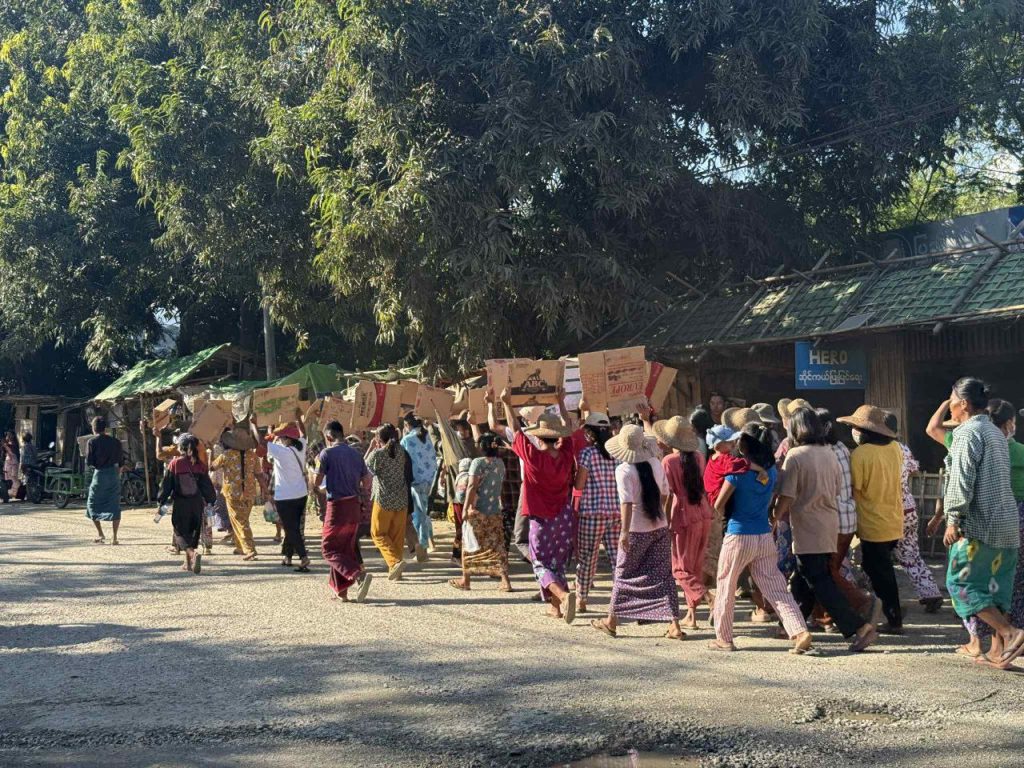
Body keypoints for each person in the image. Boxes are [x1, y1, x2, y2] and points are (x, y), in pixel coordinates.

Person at [776, 407, 878, 652]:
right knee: (806, 575)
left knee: (819, 579)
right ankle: (796, 627)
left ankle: (859, 627)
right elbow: (837, 488)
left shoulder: (795, 455)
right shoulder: (830, 453)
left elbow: (787, 495)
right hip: (829, 522)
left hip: (807, 525)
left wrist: (774, 516)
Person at [709, 422, 812, 653]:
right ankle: (799, 631)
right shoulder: (771, 473)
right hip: (764, 535)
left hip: (738, 535)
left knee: (726, 585)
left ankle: (724, 638)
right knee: (776, 588)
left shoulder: (737, 475)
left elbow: (718, 504)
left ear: (745, 445)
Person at [943, 378, 1024, 669]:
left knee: (959, 583)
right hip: (1007, 523)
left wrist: (953, 519)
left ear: (964, 403)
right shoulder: (995, 432)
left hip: (981, 525)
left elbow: (961, 480)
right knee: (995, 589)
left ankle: (1010, 633)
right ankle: (1000, 652)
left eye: (951, 401)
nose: (950, 407)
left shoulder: (967, 433)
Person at [590, 424, 685, 641]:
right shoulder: (656, 463)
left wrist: (624, 532)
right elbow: (666, 494)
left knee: (623, 573)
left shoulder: (624, 470)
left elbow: (626, 503)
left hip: (636, 529)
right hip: (659, 527)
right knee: (663, 575)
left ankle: (611, 621)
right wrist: (661, 516)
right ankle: (674, 625)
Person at [501, 387, 577, 623]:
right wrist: (561, 402)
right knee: (558, 563)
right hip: (564, 517)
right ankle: (555, 608)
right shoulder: (566, 454)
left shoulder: (533, 457)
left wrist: (507, 403)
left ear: (539, 436)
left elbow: (515, 430)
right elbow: (568, 428)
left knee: (541, 564)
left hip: (541, 518)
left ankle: (563, 596)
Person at [838, 405, 905, 634]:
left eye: (855, 428)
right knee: (881, 569)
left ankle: (893, 618)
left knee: (881, 574)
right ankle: (890, 613)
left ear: (864, 431)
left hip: (872, 523)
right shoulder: (895, 448)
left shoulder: (861, 455)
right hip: (893, 519)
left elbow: (855, 490)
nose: (853, 432)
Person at [883, 412, 943, 613]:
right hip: (907, 508)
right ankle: (930, 592)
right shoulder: (903, 448)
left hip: (884, 510)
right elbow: (914, 470)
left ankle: (869, 597)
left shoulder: (873, 451)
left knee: (875, 557)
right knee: (911, 554)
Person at [656, 416, 713, 628]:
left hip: (683, 515)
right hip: (703, 512)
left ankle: (708, 597)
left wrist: (664, 521)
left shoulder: (668, 461)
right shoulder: (699, 457)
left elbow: (668, 495)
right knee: (695, 566)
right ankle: (692, 615)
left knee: (680, 569)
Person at [817, 408, 874, 621]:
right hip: (848, 517)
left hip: (834, 520)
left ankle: (862, 601)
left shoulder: (822, 452)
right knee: (831, 569)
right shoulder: (841, 447)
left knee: (826, 572)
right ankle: (825, 615)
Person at [314, 420, 373, 603]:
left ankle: (358, 574)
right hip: (354, 505)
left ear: (329, 436)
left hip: (337, 506)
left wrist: (316, 485)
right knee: (344, 548)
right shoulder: (356, 454)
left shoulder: (326, 453)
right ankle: (341, 591)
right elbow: (367, 480)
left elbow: (316, 481)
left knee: (328, 549)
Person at [450, 431, 511, 592]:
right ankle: (505, 581)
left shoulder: (477, 463)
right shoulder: (500, 463)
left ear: (482, 446)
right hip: (494, 510)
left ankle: (466, 580)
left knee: (468, 544)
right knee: (497, 545)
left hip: (477, 511)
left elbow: (472, 486)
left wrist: (465, 508)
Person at [572, 412, 620, 614]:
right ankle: (620, 600)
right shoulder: (617, 453)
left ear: (589, 433)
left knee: (587, 559)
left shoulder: (587, 454)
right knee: (617, 559)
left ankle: (581, 599)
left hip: (592, 514)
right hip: (616, 512)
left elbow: (579, 484)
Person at [157, 434, 216, 574]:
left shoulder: (175, 464)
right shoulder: (200, 465)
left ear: (181, 447)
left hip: (181, 503)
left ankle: (192, 554)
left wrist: (161, 500)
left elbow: (166, 485)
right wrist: (210, 501)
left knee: (180, 532)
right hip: (197, 504)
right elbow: (207, 487)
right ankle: (188, 564)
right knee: (193, 531)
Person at [366, 424, 411, 581]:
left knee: (378, 533)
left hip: (383, 499)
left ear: (378, 438)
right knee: (396, 536)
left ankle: (395, 562)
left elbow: (365, 467)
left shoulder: (378, 454)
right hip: (401, 498)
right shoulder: (401, 451)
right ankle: (396, 570)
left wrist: (371, 447)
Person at [210, 426, 262, 561]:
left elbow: (212, 467)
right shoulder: (253, 455)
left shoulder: (226, 455)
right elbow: (259, 474)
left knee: (240, 521)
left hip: (232, 493)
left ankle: (250, 549)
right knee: (242, 520)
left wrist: (210, 450)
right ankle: (240, 546)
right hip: (250, 492)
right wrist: (265, 491)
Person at [265, 423, 311, 573]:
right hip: (301, 494)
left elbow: (260, 444)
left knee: (291, 529)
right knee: (293, 527)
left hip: (285, 497)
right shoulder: (301, 447)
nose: (280, 440)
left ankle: (303, 557)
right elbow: (304, 433)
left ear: (287, 439)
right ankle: (288, 557)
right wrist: (299, 420)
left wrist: (255, 426)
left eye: (281, 438)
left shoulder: (280, 451)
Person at [401, 417, 436, 562]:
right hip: (429, 480)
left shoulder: (407, 439)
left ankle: (423, 548)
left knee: (418, 516)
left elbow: (401, 459)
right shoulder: (428, 437)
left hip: (415, 481)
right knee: (424, 513)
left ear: (407, 425)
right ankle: (428, 544)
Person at [85, 417, 122, 544]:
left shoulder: (92, 442)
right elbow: (121, 461)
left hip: (99, 475)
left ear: (93, 428)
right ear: (105, 428)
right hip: (113, 474)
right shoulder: (116, 442)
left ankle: (100, 534)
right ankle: (114, 537)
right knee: (114, 504)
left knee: (92, 504)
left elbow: (89, 461)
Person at [3, 431, 21, 501]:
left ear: (13, 436)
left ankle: (14, 492)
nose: (8, 436)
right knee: (7, 477)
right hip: (8, 462)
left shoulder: (14, 444)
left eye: (10, 435)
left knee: (13, 477)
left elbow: (12, 451)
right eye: (8, 435)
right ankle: (9, 492)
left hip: (13, 462)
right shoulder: (7, 443)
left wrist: (6, 446)